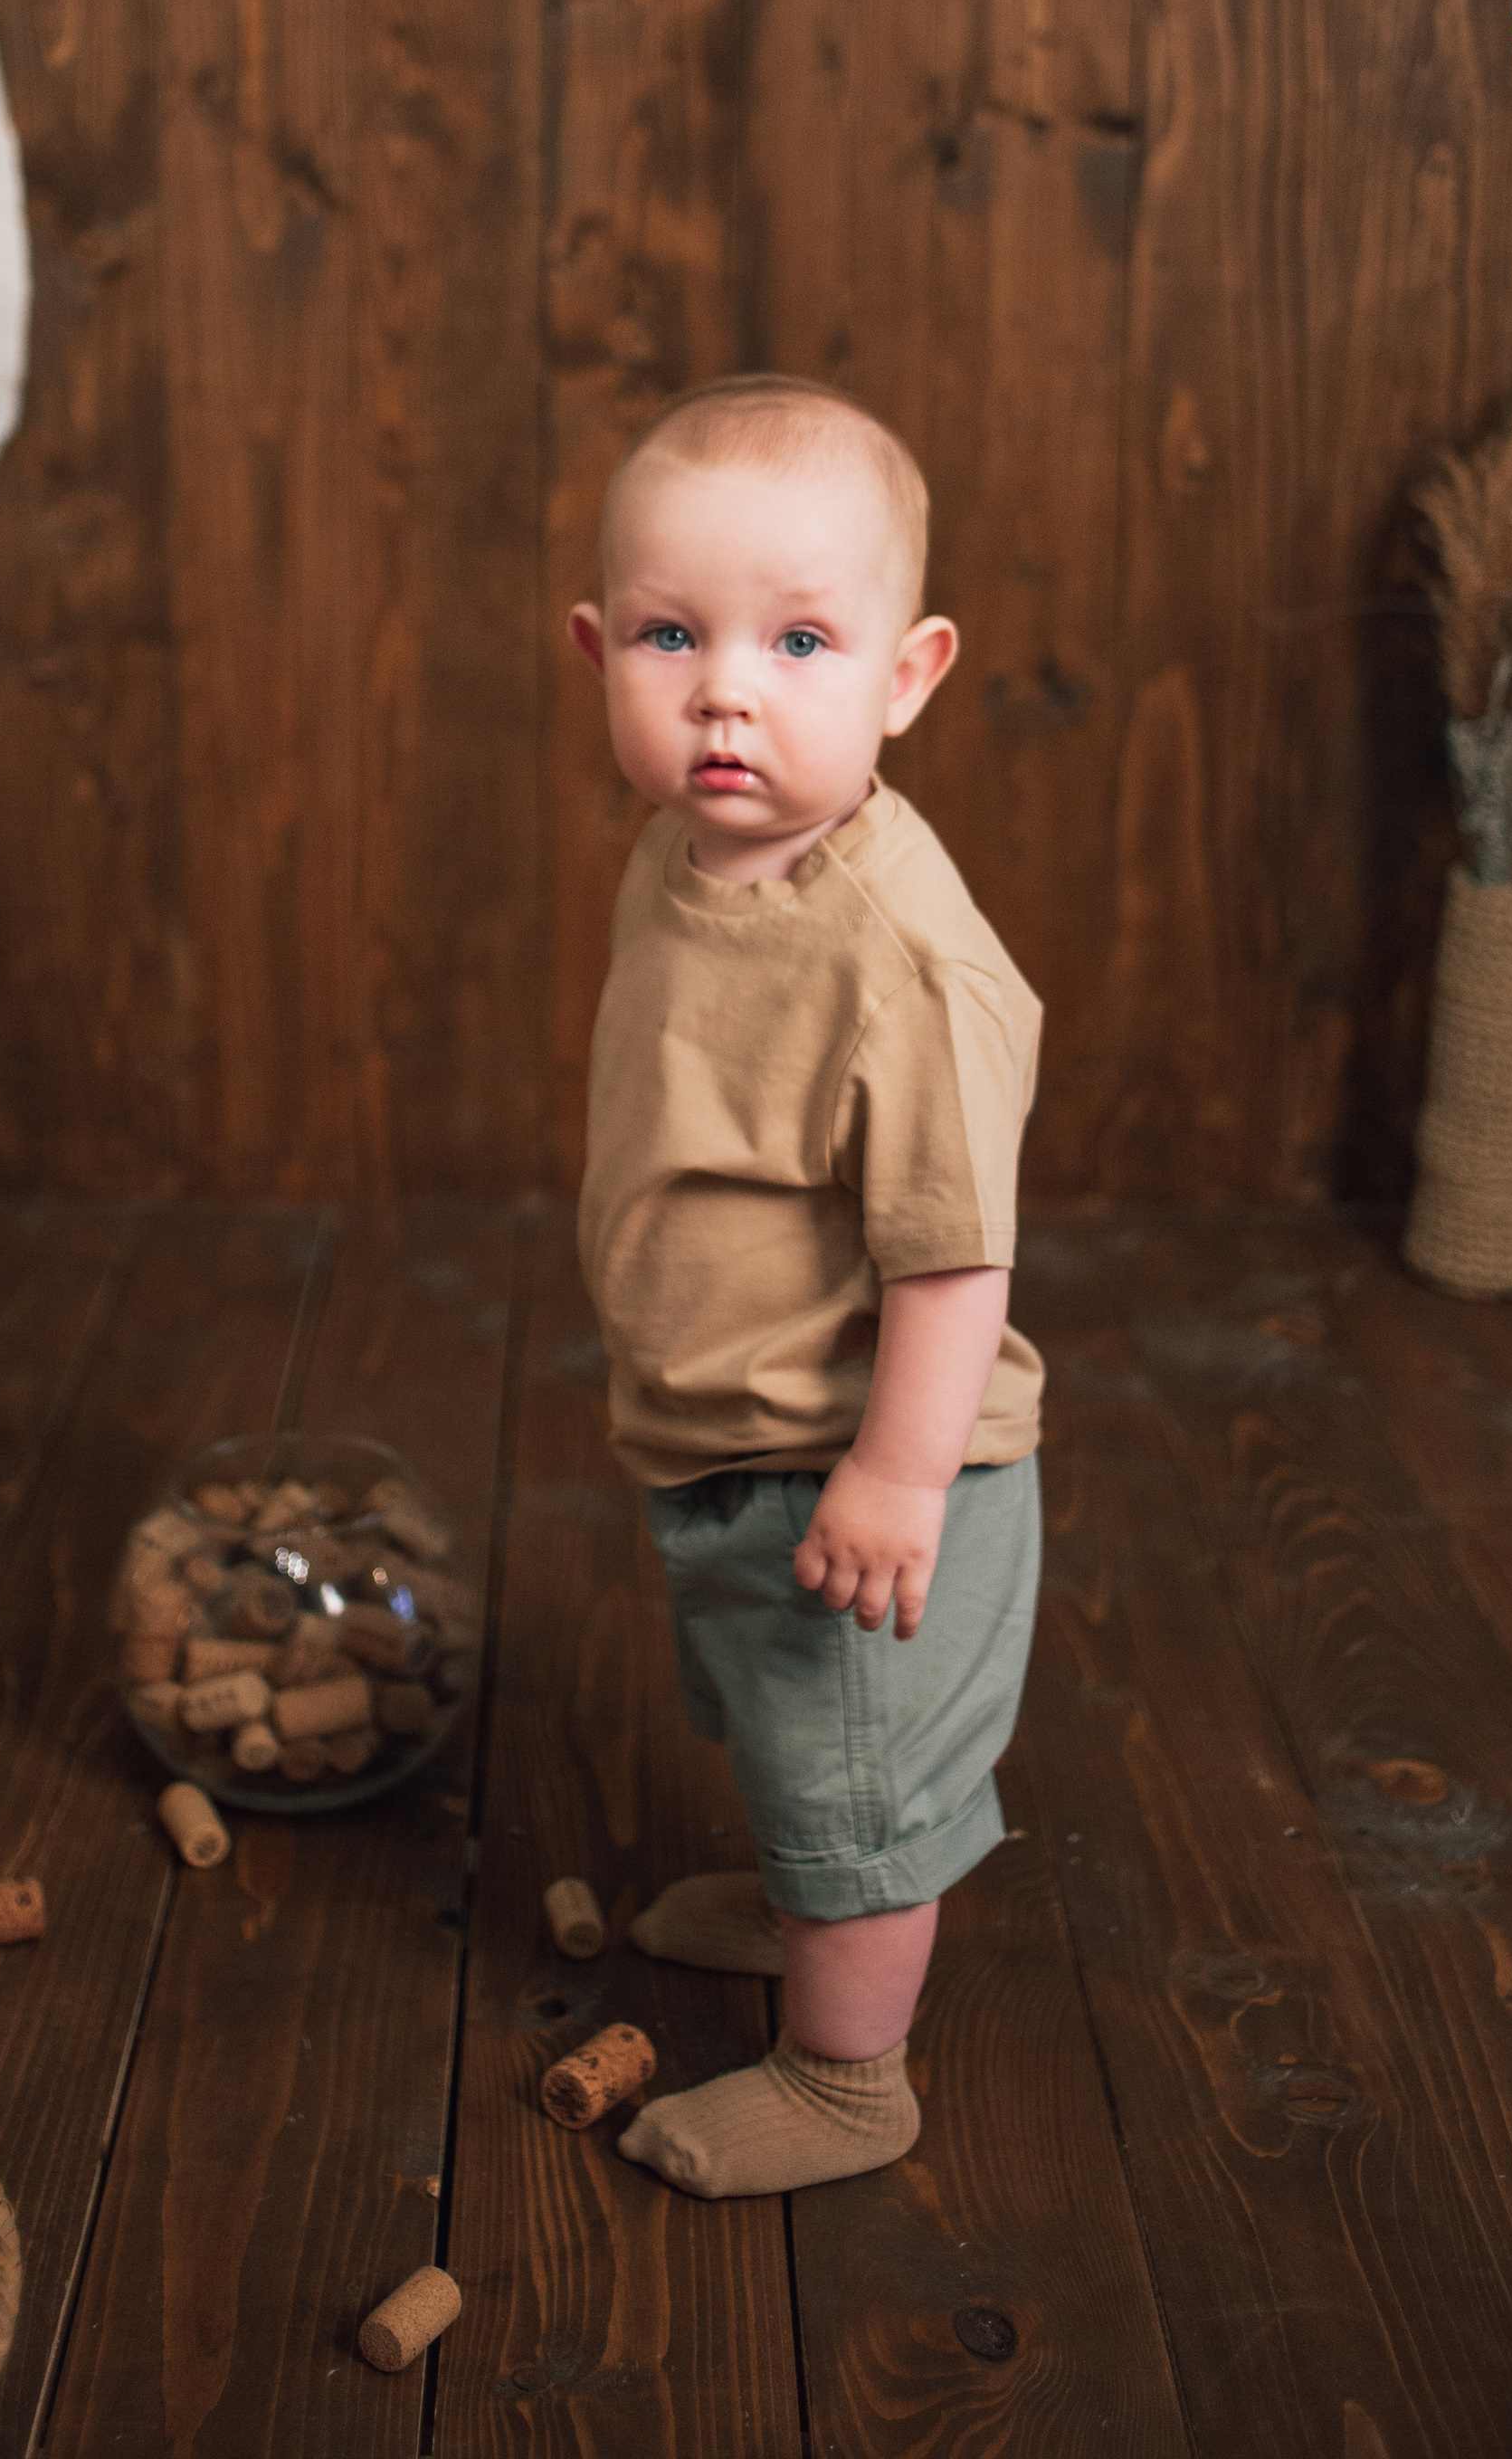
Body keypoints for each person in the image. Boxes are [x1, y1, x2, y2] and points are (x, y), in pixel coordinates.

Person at [566, 371, 1043, 2199]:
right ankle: (796, 1902)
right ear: (598, 649)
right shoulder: (686, 851)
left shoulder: (897, 958)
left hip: (859, 1468)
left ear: (906, 677)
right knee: (785, 1730)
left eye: (798, 642)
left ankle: (849, 2078)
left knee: (858, 1778)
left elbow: (952, 1254)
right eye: (672, 637)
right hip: (724, 1435)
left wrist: (896, 1478)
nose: (724, 692)